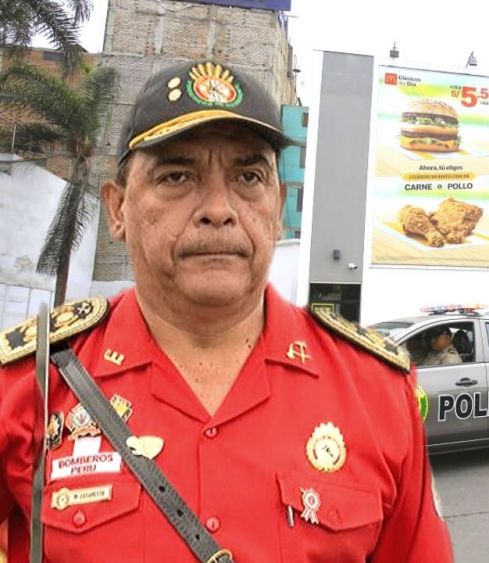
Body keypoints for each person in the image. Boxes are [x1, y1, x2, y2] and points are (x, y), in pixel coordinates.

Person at [0, 61, 452, 562]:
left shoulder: (375, 390)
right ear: (118, 209)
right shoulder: (29, 384)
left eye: (248, 175)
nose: (219, 207)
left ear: (278, 207)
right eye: (176, 175)